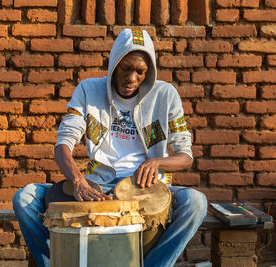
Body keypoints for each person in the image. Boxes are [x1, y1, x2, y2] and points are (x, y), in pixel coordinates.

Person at [13, 28, 207, 267]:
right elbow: (63, 143)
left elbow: (185, 156)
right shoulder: (88, 90)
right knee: (24, 198)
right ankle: (54, 263)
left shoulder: (165, 96)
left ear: (150, 72)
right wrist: (77, 181)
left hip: (148, 187)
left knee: (196, 203)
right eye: (126, 68)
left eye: (140, 72)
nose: (132, 78)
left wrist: (157, 162)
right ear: (114, 63)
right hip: (98, 185)